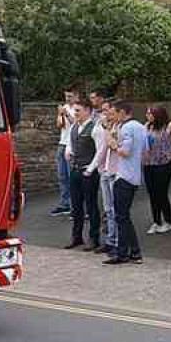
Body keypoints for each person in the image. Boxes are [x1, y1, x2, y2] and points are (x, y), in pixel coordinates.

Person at [103, 100, 147, 265]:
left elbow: (125, 151)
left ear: (122, 112)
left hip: (124, 177)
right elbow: (145, 151)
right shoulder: (140, 127)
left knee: (121, 216)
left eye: (114, 113)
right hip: (134, 175)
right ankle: (129, 252)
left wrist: (114, 145)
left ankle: (129, 253)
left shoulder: (127, 128)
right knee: (123, 216)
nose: (111, 116)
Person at [63, 99, 102, 251]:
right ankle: (77, 237)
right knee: (76, 205)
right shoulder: (74, 126)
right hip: (75, 170)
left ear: (87, 110)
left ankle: (94, 238)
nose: (75, 113)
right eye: (74, 110)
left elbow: (100, 151)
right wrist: (68, 151)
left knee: (91, 205)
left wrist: (90, 169)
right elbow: (69, 142)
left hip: (88, 172)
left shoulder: (95, 128)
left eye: (78, 110)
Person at [142, 106, 171, 234]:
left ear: (158, 114)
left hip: (163, 164)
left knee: (161, 193)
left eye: (150, 113)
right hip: (149, 164)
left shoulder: (169, 126)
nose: (147, 116)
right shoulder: (147, 126)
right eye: (147, 113)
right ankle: (156, 222)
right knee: (152, 194)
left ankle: (168, 222)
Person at [94, 99, 118, 255]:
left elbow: (110, 146)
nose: (104, 113)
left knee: (116, 209)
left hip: (115, 171)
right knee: (108, 208)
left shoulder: (117, 128)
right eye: (102, 111)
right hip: (105, 169)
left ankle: (117, 242)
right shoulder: (104, 126)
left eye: (107, 110)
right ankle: (110, 240)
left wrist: (107, 129)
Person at [51, 88, 79, 216]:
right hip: (62, 143)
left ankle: (75, 205)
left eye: (70, 96)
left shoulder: (78, 109)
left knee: (71, 175)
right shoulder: (64, 108)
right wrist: (60, 114)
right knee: (62, 176)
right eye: (66, 96)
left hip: (72, 145)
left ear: (76, 96)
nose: (67, 99)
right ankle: (64, 203)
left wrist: (66, 113)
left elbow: (76, 124)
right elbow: (60, 125)